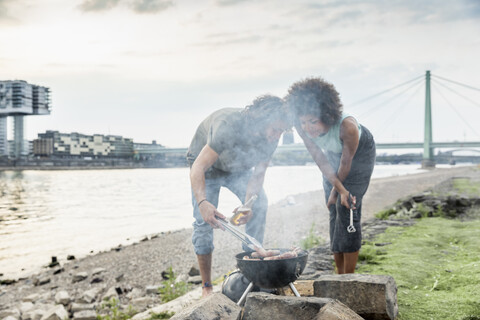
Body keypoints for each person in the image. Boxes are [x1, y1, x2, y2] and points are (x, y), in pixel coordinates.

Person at [187, 95, 292, 297]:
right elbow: (198, 167)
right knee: (203, 221)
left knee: (260, 203)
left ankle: (251, 273)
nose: (278, 135)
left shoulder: (270, 138)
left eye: (281, 130)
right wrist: (202, 203)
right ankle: (207, 287)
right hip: (207, 168)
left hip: (237, 168)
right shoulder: (228, 125)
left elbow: (258, 174)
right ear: (262, 120)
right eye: (275, 129)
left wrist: (248, 205)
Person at [286, 77, 376, 274]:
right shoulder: (302, 127)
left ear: (327, 114)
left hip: (358, 155)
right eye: (303, 122)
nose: (308, 128)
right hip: (334, 154)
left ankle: (349, 276)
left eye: (313, 121)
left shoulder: (347, 127)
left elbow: (346, 163)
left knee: (348, 208)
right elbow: (321, 160)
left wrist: (340, 192)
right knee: (332, 208)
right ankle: (339, 271)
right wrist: (335, 192)